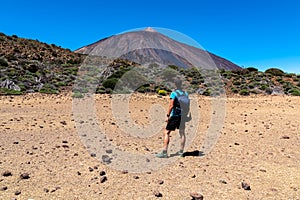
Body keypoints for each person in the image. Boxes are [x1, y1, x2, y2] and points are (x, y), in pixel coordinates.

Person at [156, 78, 188, 158]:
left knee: (166, 132)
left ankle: (164, 152)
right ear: (181, 84)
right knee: (182, 133)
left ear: (175, 84)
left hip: (175, 115)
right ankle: (181, 152)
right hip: (182, 115)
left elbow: (171, 105)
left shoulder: (174, 93)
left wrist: (168, 115)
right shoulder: (185, 94)